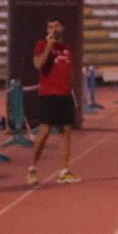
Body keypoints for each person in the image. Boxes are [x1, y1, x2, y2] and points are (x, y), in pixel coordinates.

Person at [28, 19, 80, 185]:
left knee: (66, 132)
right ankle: (32, 168)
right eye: (50, 26)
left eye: (56, 26)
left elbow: (68, 70)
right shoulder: (42, 44)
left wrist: (73, 92)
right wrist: (49, 46)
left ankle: (64, 171)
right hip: (49, 94)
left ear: (62, 28)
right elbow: (38, 64)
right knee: (44, 133)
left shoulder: (67, 47)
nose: (53, 29)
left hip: (65, 94)